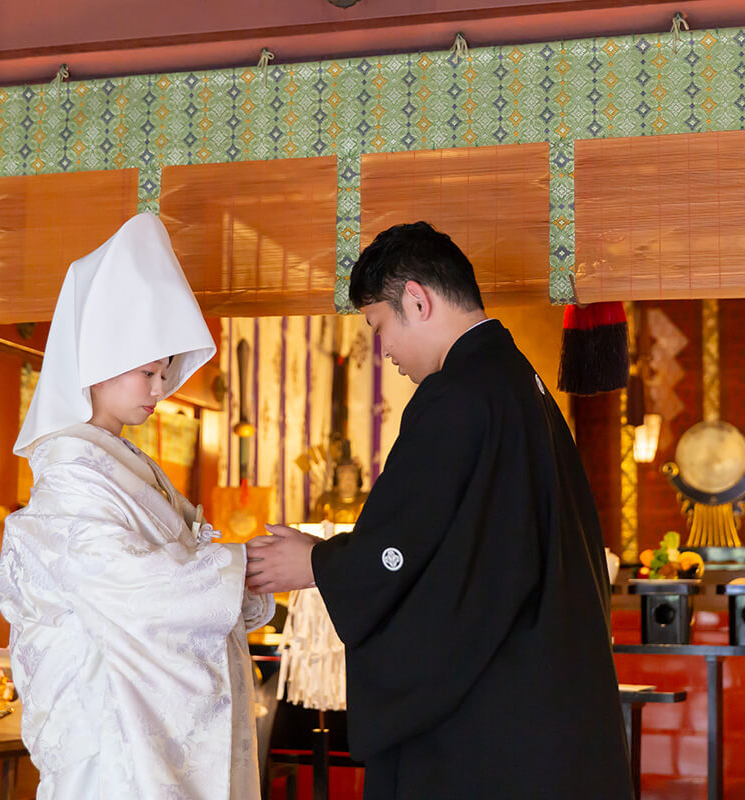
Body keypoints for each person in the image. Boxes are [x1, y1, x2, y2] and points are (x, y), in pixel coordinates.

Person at [245, 221, 633, 800]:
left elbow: (404, 548)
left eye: (379, 327)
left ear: (417, 300)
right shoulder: (518, 383)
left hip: (494, 728)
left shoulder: (459, 394)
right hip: (549, 707)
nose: (387, 351)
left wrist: (318, 563)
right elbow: (468, 556)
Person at [0, 213, 274, 800]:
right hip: (112, 728)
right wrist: (237, 567)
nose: (160, 389)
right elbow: (127, 583)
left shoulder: (124, 462)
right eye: (149, 372)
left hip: (140, 717)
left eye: (166, 372)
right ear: (96, 364)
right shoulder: (70, 473)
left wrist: (230, 567)